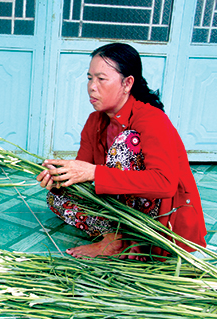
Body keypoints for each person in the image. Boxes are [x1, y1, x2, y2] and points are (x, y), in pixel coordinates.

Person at [37, 42, 207, 259]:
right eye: (90, 78)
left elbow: (164, 183)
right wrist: (60, 174)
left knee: (127, 141)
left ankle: (137, 239)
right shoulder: (94, 121)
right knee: (57, 197)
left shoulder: (152, 119)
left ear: (127, 83)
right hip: (119, 211)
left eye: (101, 79)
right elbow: (83, 176)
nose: (91, 86)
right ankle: (114, 238)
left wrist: (94, 173)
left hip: (159, 224)